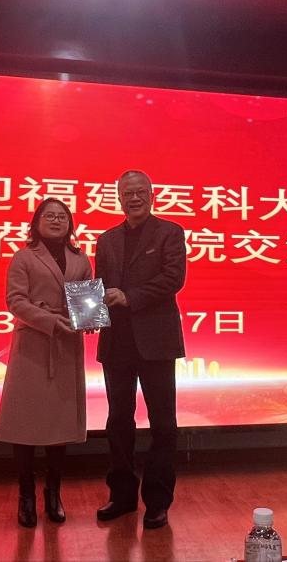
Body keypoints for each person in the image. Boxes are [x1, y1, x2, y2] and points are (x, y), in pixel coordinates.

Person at [94, 169, 187, 530]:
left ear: (151, 195)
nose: (133, 198)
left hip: (157, 341)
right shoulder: (106, 239)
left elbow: (173, 279)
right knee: (118, 420)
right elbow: (99, 286)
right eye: (127, 193)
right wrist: (89, 312)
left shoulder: (170, 232)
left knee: (163, 423)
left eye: (140, 192)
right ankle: (122, 496)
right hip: (116, 341)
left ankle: (158, 501)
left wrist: (129, 297)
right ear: (119, 198)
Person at [0, 198, 92, 527]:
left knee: (59, 426)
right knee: (25, 425)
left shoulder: (80, 259)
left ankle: (53, 493)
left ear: (70, 224)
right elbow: (15, 301)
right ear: (36, 222)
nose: (56, 220)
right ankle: (25, 495)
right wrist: (49, 321)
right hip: (33, 348)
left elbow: (85, 301)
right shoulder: (23, 257)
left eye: (62, 216)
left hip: (66, 347)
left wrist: (89, 318)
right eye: (49, 215)